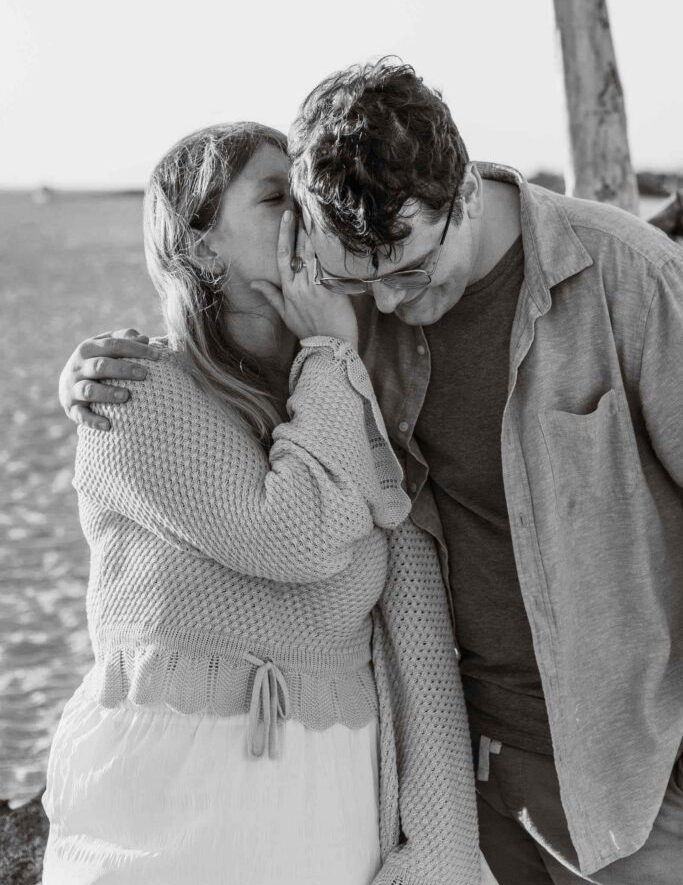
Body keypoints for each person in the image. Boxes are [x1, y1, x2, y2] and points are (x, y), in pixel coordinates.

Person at [60, 57, 683, 884]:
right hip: (464, 763)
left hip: (632, 769)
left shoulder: (627, 278)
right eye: (359, 278)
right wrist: (87, 375)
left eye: (409, 272)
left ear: (464, 193)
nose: (388, 302)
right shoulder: (343, 312)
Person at [45, 121, 481, 885]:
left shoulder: (353, 402)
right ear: (201, 247)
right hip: (165, 821)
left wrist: (442, 850)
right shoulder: (133, 393)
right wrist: (331, 353)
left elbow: (417, 645)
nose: (304, 212)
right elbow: (292, 535)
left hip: (327, 821)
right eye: (276, 196)